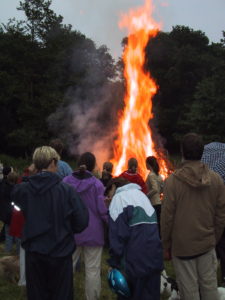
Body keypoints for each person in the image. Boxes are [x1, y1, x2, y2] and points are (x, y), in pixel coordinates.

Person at [12, 146, 89, 300]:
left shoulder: (22, 191)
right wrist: (67, 229)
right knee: (61, 295)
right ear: (53, 162)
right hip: (60, 253)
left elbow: (15, 211)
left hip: (34, 253)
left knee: (37, 294)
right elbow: (82, 221)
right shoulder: (67, 191)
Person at [161, 133, 225, 300]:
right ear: (202, 152)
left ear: (182, 152)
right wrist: (213, 238)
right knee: (210, 290)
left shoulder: (172, 182)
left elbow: (167, 219)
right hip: (207, 245)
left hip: (183, 249)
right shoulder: (216, 179)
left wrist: (166, 245)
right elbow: (221, 216)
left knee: (189, 293)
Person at [106, 177, 163, 300]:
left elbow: (117, 236)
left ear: (113, 187)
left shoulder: (119, 199)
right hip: (153, 259)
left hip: (133, 264)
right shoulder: (142, 196)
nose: (108, 198)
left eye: (108, 193)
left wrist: (114, 263)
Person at [63, 152, 108, 300]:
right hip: (93, 232)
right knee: (93, 270)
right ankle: (92, 297)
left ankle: (63, 295)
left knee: (66, 268)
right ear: (93, 165)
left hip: (72, 231)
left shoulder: (66, 182)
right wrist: (111, 224)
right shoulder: (97, 184)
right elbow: (102, 211)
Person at [0, 166, 19, 253]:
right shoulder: (18, 189)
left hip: (6, 215)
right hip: (16, 214)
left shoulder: (3, 187)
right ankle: (19, 251)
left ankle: (8, 250)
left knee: (8, 234)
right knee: (18, 234)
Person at [145, 156, 163, 234]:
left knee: (154, 224)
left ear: (149, 164)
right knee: (159, 224)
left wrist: (146, 196)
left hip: (153, 204)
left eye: (146, 164)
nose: (145, 165)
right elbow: (162, 188)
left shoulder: (151, 175)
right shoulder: (159, 175)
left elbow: (155, 189)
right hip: (159, 202)